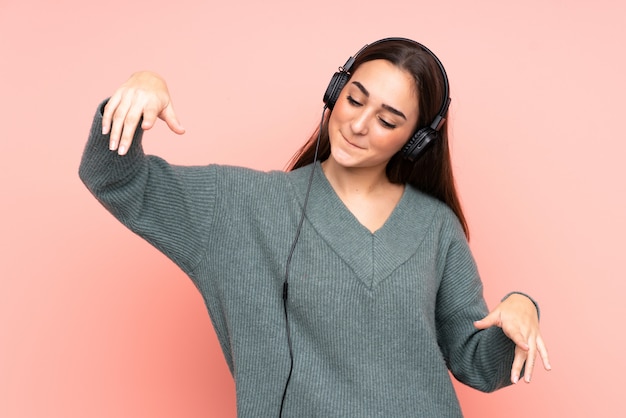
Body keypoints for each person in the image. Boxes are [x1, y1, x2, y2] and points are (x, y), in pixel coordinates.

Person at [79, 37, 550, 417]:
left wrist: (520, 311)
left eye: (387, 120)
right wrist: (142, 86)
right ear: (335, 92)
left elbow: (477, 362)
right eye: (354, 99)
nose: (359, 124)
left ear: (416, 140)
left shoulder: (435, 227)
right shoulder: (239, 205)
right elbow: (114, 178)